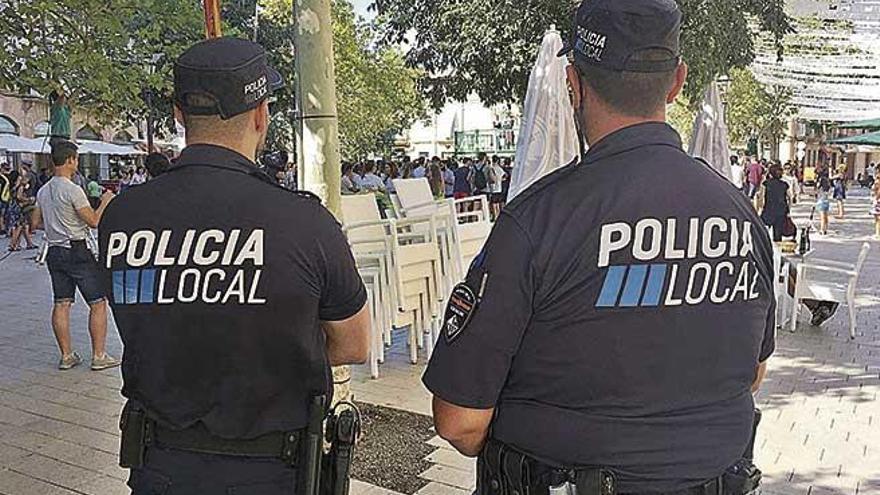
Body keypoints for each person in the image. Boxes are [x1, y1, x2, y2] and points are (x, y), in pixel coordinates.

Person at [422, 1, 776, 493]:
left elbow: (459, 421)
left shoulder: (536, 221)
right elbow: (753, 373)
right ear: (676, 81)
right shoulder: (742, 217)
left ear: (573, 83)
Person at [97, 37, 370, 494]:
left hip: (160, 469)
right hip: (271, 472)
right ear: (261, 115)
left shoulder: (123, 216)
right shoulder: (303, 222)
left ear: (179, 115)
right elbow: (353, 343)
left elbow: (140, 313)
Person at [31, 140, 119, 370]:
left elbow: (34, 223)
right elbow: (93, 221)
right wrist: (106, 202)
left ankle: (66, 355)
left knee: (62, 302)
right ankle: (99, 355)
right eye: (76, 159)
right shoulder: (72, 189)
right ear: (70, 160)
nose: (77, 163)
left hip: (54, 250)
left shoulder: (43, 190)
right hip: (77, 249)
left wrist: (55, 225)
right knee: (98, 302)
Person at [761, 164, 790, 242]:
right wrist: (788, 210)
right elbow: (789, 198)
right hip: (781, 211)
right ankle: (777, 251)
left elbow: (760, 197)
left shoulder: (765, 184)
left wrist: (758, 209)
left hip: (768, 209)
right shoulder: (784, 185)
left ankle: (765, 248)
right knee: (778, 234)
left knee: (763, 232)